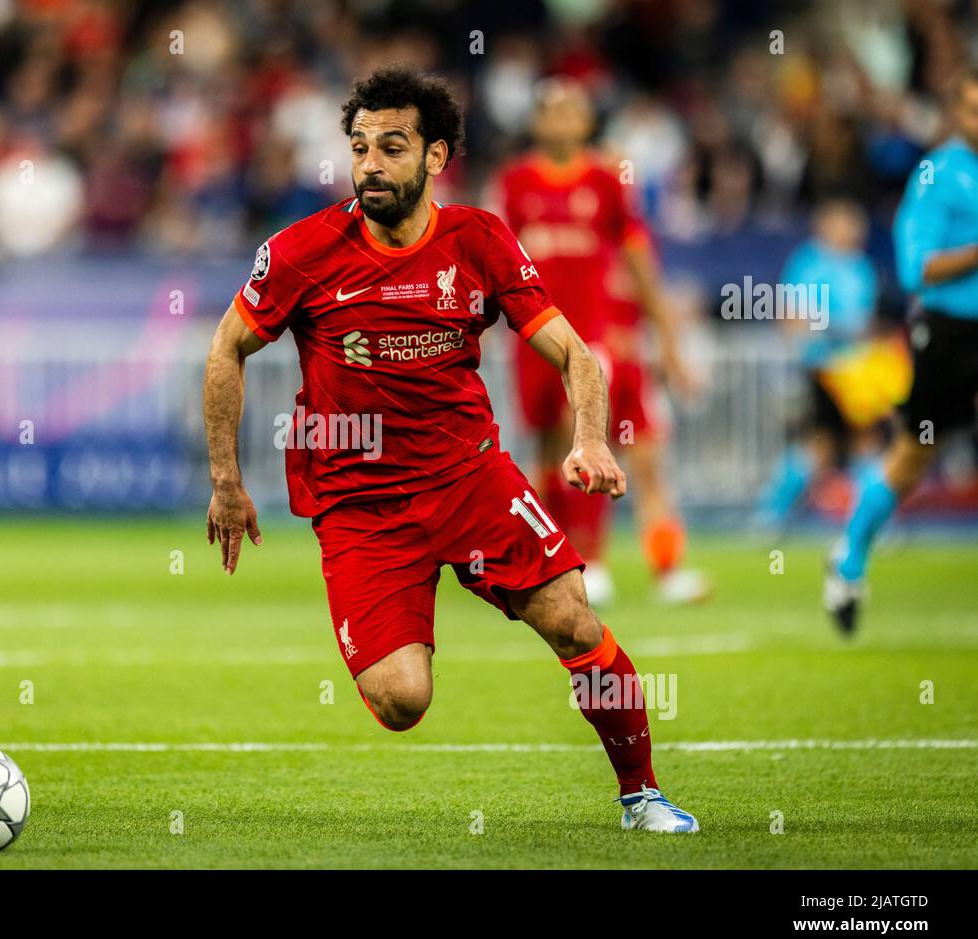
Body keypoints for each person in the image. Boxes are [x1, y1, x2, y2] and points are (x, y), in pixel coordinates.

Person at [203, 65, 698, 832]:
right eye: (360, 146)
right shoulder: (302, 251)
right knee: (402, 700)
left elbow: (576, 353)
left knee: (574, 618)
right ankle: (398, 627)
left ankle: (642, 795)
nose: (370, 164)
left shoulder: (480, 239)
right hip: (359, 502)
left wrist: (591, 439)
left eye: (391, 147)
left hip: (470, 479)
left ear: (436, 157)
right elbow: (226, 348)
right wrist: (226, 481)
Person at [489, 79, 708, 606]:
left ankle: (631, 564)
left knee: (611, 444)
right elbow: (491, 258)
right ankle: (548, 559)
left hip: (591, 341)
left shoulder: (607, 182)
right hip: (531, 338)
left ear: (587, 120)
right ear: (537, 122)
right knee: (546, 452)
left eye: (572, 110)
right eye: (551, 112)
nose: (562, 121)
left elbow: (640, 261)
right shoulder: (515, 184)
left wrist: (668, 340)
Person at [825, 67, 978, 634]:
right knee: (915, 457)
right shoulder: (939, 175)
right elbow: (918, 269)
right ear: (957, 115)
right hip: (951, 330)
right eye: (972, 110)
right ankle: (849, 557)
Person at [755, 199, 887, 534]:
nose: (853, 229)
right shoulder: (810, 263)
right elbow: (793, 317)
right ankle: (772, 513)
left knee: (859, 442)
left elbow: (865, 322)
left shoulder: (861, 268)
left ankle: (869, 521)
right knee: (825, 445)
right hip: (823, 368)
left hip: (857, 372)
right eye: (845, 221)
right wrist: (829, 332)